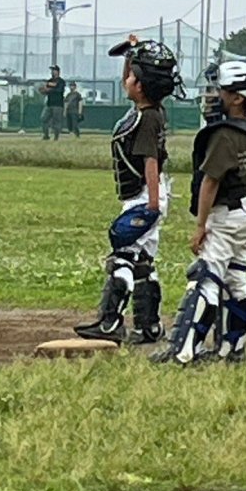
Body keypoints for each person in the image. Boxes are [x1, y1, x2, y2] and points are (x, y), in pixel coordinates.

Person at [152, 59, 246, 365]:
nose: (214, 96)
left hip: (226, 216)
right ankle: (232, 347)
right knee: (235, 280)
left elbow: (210, 182)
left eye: (222, 91)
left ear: (238, 98)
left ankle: (183, 351)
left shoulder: (224, 134)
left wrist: (200, 225)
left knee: (206, 278)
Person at [74, 37, 184, 345]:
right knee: (143, 261)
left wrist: (151, 204)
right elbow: (130, 81)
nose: (127, 80)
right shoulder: (149, 109)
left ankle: (110, 323)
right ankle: (150, 327)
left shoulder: (146, 119)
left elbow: (150, 160)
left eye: (133, 76)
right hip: (149, 193)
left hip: (144, 194)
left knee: (122, 256)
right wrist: (130, 55)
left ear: (142, 86)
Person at [39, 65, 66, 140]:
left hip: (58, 104)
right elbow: (46, 90)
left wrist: (49, 90)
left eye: (54, 70)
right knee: (44, 118)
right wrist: (43, 91)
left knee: (56, 122)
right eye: (52, 70)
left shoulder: (61, 81)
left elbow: (59, 90)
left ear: (58, 71)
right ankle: (46, 135)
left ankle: (56, 138)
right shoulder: (49, 81)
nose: (52, 72)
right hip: (49, 103)